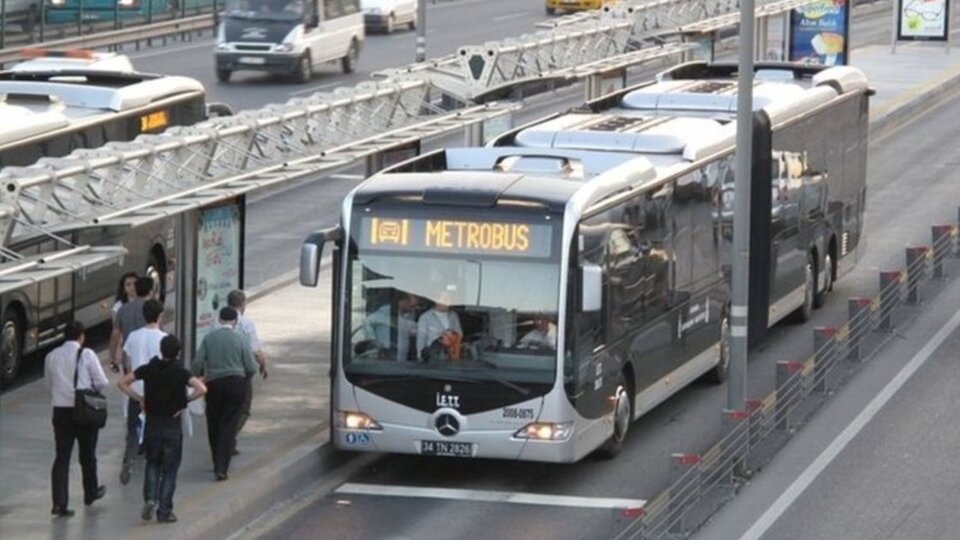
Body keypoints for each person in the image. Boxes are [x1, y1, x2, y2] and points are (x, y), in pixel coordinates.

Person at [118, 335, 206, 524]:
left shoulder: (149, 368)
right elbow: (201, 389)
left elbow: (122, 383)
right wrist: (184, 402)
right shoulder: (180, 372)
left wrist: (140, 399)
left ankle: (150, 498)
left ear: (161, 349)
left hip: (153, 424)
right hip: (172, 427)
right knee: (170, 469)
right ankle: (164, 511)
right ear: (178, 352)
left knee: (152, 464)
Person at [44, 321, 108, 517]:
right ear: (81, 336)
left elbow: (49, 384)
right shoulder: (87, 354)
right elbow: (102, 382)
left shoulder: (51, 356)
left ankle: (59, 503)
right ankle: (90, 492)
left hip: (60, 411)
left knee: (62, 457)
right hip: (83, 410)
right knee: (87, 454)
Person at [191, 306, 258, 481]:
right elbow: (251, 366)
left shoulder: (209, 338)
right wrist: (244, 380)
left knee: (213, 422)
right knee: (229, 424)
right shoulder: (241, 339)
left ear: (219, 320)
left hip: (214, 384)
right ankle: (222, 467)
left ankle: (216, 460)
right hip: (235, 384)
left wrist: (196, 377)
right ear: (235, 321)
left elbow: (198, 362)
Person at [118, 299, 167, 486]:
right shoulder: (163, 338)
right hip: (155, 394)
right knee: (154, 432)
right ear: (160, 316)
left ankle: (128, 459)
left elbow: (128, 362)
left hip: (136, 392)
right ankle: (151, 468)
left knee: (133, 430)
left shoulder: (133, 337)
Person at [226, 289, 268, 455]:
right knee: (243, 407)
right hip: (240, 373)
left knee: (225, 408)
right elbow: (255, 350)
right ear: (243, 304)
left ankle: (227, 437)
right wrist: (263, 364)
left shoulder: (217, 322)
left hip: (219, 373)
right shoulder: (246, 323)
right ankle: (229, 436)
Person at [110, 276, 155, 372]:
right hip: (149, 356)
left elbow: (115, 336)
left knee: (129, 383)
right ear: (151, 291)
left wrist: (113, 358)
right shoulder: (153, 308)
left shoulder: (122, 310)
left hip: (129, 356)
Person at [365, 292, 419, 361]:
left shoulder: (408, 316)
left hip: (402, 360)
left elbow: (414, 331)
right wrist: (373, 340)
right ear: (403, 301)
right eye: (411, 306)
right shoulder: (385, 312)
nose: (413, 309)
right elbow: (367, 321)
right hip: (385, 359)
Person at [416, 290, 463, 361]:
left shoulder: (453, 315)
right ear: (436, 300)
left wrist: (451, 335)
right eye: (444, 299)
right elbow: (421, 340)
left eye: (449, 299)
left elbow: (460, 334)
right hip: (432, 359)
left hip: (451, 358)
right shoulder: (425, 317)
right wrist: (419, 356)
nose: (448, 302)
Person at [108, 272, 139, 373]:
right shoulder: (118, 307)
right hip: (128, 349)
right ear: (123, 289)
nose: (132, 287)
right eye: (128, 284)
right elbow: (116, 334)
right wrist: (114, 356)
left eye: (135, 283)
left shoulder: (146, 302)